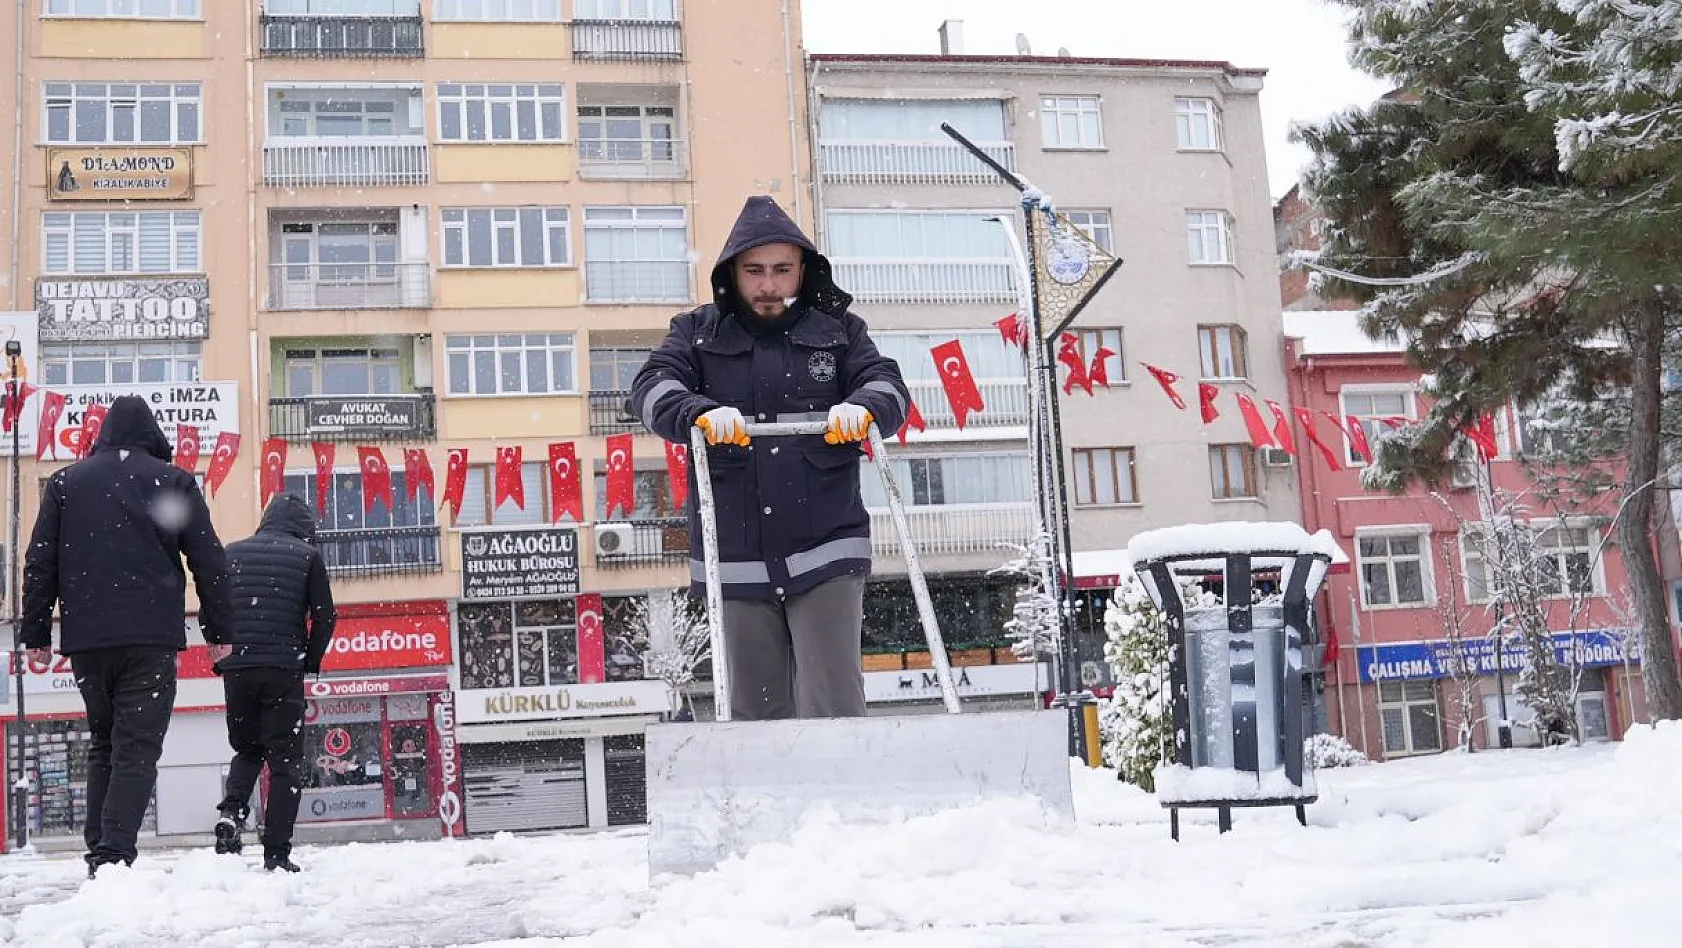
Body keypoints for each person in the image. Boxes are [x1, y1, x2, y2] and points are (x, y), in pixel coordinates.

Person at [630, 195, 910, 721]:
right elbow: (649, 387)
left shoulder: (840, 332)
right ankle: (769, 804)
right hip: (735, 555)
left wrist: (863, 406)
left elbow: (889, 386)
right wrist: (697, 413)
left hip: (826, 546)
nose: (768, 285)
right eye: (754, 271)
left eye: (783, 270)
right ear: (731, 273)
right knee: (755, 716)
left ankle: (843, 799)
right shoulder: (696, 333)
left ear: (803, 270)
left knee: (834, 703)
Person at [21, 396, 233, 878]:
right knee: (136, 746)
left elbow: (40, 562)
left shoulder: (65, 484)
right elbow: (209, 562)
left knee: (104, 740)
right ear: (151, 434)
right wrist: (219, 631)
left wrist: (36, 632)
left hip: (88, 639)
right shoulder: (172, 481)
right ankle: (113, 855)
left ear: (105, 435)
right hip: (148, 637)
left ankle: (101, 850)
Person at [212, 492, 336, 873]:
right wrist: (309, 660)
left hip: (239, 667)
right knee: (285, 763)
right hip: (283, 668)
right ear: (304, 528)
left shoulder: (231, 552)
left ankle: (232, 812)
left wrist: (222, 654)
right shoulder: (306, 557)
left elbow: (212, 604)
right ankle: (277, 854)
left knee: (247, 750)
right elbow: (325, 616)